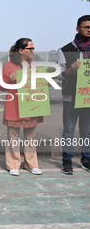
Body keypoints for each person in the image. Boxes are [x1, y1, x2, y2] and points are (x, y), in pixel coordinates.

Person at [0, 38, 43, 176]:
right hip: (14, 107)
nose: (32, 51)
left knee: (31, 137)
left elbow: (42, 84)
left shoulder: (35, 65)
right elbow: (1, 87)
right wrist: (9, 79)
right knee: (13, 137)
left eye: (33, 48)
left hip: (31, 106)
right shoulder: (9, 66)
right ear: (21, 50)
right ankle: (13, 164)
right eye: (30, 48)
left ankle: (31, 164)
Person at [57, 15, 90, 175]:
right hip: (71, 97)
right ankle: (67, 161)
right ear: (77, 29)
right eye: (86, 27)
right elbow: (58, 74)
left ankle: (86, 160)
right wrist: (71, 70)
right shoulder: (65, 49)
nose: (89, 30)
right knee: (69, 130)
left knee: (87, 131)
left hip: (88, 98)